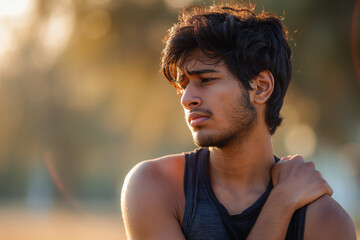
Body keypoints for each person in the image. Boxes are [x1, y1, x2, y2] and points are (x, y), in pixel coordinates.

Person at [121, 3, 356, 240]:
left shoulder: (327, 221)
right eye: (183, 86)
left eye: (206, 80)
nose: (187, 99)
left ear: (261, 87)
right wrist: (281, 201)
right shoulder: (154, 186)